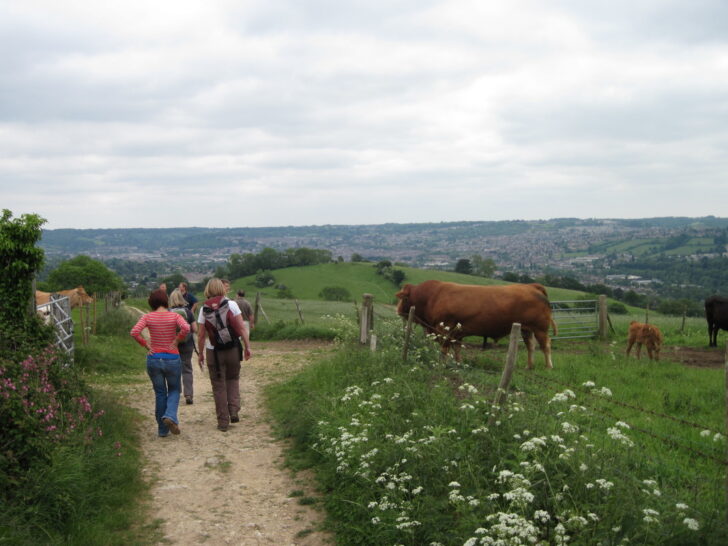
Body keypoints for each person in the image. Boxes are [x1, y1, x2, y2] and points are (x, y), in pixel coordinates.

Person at [130, 288, 190, 437]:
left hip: (154, 358)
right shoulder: (174, 316)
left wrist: (146, 345)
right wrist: (176, 340)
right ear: (165, 300)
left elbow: (134, 332)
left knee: (160, 393)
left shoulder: (148, 317)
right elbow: (186, 328)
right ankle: (170, 416)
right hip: (172, 358)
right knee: (175, 390)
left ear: (151, 302)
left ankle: (162, 430)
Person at [197, 278, 252, 432]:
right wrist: (247, 347)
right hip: (233, 348)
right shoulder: (232, 305)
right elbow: (241, 328)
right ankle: (233, 410)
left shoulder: (203, 309)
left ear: (207, 290)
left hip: (213, 351)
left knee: (218, 385)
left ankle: (223, 421)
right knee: (233, 378)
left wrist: (200, 353)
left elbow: (201, 335)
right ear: (223, 288)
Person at [169, 288, 198, 405]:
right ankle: (188, 394)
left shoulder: (167, 312)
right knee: (187, 369)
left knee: (174, 369)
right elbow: (195, 329)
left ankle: (176, 393)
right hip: (187, 344)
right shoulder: (188, 312)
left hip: (173, 344)